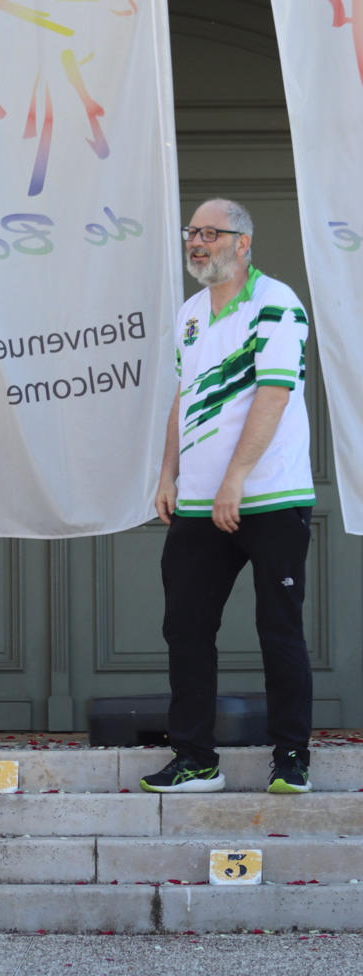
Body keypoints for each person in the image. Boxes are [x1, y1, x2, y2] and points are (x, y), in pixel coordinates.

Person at [140, 198, 314, 796]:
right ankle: (195, 760)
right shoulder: (190, 312)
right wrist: (168, 474)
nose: (196, 241)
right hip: (197, 503)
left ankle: (291, 758)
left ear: (243, 242)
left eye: (210, 233)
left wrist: (235, 478)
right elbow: (184, 396)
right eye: (191, 231)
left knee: (278, 630)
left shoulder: (277, 303)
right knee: (186, 630)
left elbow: (274, 394)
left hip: (270, 497)